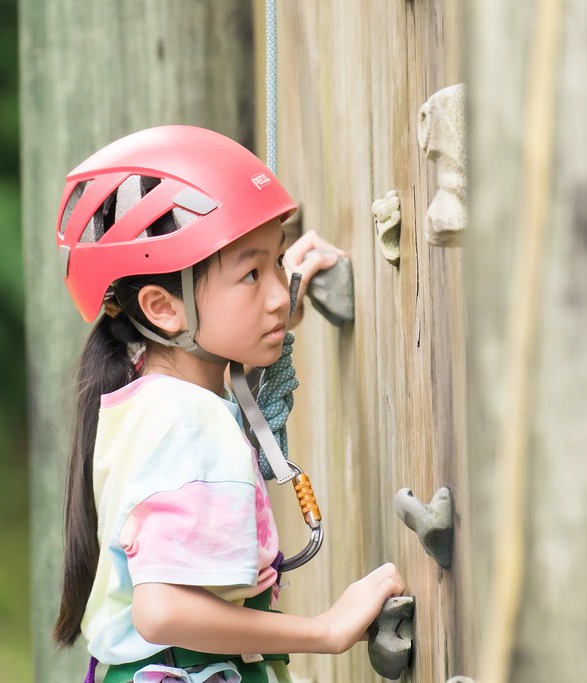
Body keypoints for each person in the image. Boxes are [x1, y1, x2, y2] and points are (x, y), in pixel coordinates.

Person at [51, 125, 404, 683]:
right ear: (165, 309)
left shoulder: (147, 396)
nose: (278, 292)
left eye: (278, 262)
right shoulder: (188, 421)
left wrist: (270, 310)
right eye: (251, 273)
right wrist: (326, 631)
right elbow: (163, 610)